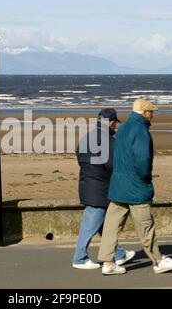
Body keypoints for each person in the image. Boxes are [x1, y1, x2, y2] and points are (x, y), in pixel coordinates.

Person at [98, 99, 172, 275]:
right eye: (151, 112)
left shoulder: (123, 129)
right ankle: (158, 261)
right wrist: (145, 179)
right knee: (146, 226)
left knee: (111, 227)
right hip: (135, 187)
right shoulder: (141, 130)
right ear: (144, 113)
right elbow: (143, 160)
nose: (153, 116)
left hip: (118, 186)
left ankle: (107, 263)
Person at [72, 108, 136, 270]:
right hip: (100, 188)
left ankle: (118, 253)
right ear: (112, 122)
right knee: (90, 225)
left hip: (87, 184)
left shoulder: (87, 137)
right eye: (115, 123)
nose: (115, 127)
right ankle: (79, 258)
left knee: (104, 224)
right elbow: (112, 164)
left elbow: (80, 157)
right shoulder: (108, 140)